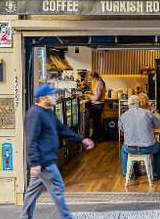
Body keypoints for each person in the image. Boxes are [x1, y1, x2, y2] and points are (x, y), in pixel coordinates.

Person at [20, 84, 94, 219]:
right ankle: (66, 217)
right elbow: (32, 139)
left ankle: (24, 216)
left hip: (44, 160)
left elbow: (62, 129)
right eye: (52, 95)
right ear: (42, 98)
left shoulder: (48, 112)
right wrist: (35, 162)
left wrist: (82, 140)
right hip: (44, 161)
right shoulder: (35, 114)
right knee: (58, 188)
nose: (55, 97)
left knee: (33, 192)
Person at [118, 94, 160, 179]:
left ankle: (127, 172)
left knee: (124, 150)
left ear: (128, 104)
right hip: (148, 147)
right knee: (159, 149)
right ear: (139, 103)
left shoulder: (123, 116)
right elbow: (158, 125)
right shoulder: (148, 113)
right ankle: (156, 174)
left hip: (130, 147)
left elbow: (122, 129)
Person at [87, 72, 106, 142]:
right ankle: (97, 137)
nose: (91, 80)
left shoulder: (98, 84)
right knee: (97, 121)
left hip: (97, 105)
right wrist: (92, 93)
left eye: (91, 78)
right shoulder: (100, 83)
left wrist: (89, 96)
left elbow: (96, 98)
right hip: (99, 105)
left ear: (94, 78)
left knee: (96, 122)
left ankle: (96, 138)